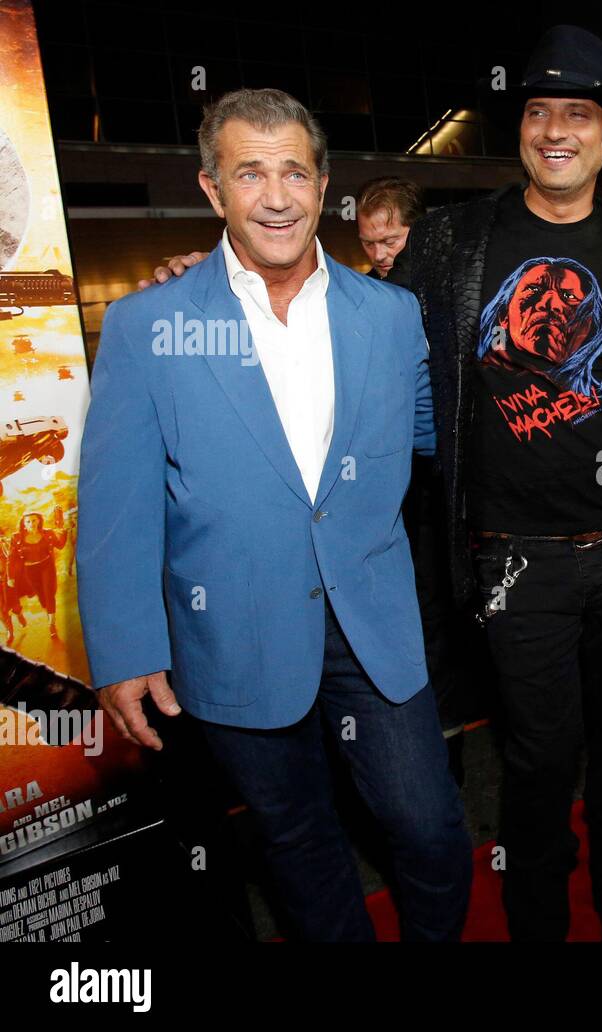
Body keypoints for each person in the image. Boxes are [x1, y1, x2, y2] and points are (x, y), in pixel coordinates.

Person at [77, 87, 472, 942]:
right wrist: (125, 648)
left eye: (295, 170)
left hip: (372, 623)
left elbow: (437, 438)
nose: (278, 194)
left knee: (432, 831)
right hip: (231, 633)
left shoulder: (391, 315)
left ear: (324, 184)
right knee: (297, 842)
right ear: (213, 190)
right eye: (250, 172)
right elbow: (117, 499)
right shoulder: (151, 324)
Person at [403, 25, 602, 942]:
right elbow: (351, 320)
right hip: (515, 564)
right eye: (539, 110)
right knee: (538, 765)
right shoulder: (452, 241)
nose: (555, 129)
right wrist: (225, 278)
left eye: (579, 113)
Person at [7, 509, 67, 639]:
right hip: (29, 571)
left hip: (47, 567)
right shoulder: (17, 538)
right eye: (28, 521)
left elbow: (60, 545)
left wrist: (63, 532)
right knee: (43, 598)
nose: (31, 523)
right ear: (23, 523)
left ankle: (52, 624)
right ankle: (47, 607)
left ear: (39, 520)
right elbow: (11, 559)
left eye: (34, 520)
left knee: (49, 594)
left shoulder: (48, 534)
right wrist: (10, 576)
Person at [357, 176, 422, 284]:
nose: (378, 256)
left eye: (389, 242)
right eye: (368, 243)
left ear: (418, 232)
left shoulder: (450, 284)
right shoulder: (361, 292)